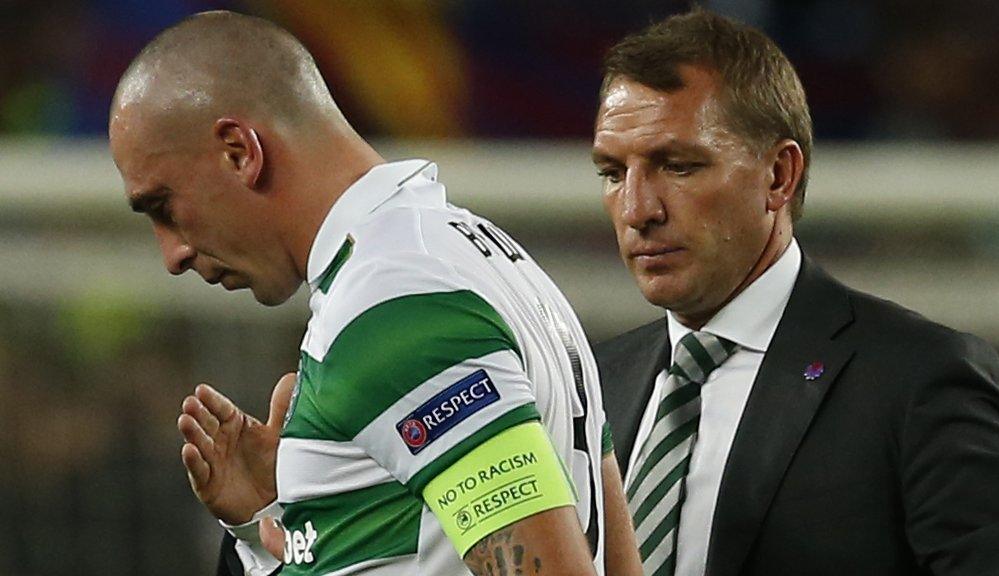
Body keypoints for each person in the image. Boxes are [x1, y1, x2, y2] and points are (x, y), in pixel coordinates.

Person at [107, 11, 642, 576]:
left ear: (240, 152)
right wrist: (273, 523)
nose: (172, 256)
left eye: (163, 208)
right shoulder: (482, 253)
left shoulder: (392, 301)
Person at [590, 9, 999, 576]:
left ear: (778, 176)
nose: (636, 209)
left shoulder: (921, 380)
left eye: (677, 166)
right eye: (613, 173)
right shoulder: (592, 384)